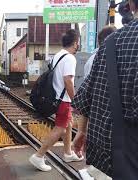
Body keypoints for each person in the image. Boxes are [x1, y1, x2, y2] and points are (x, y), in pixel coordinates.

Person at [72, 0, 138, 178]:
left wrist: (82, 131)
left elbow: (86, 93)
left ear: (131, 5)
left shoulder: (109, 42)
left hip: (111, 152)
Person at [29, 29, 83, 172]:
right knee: (60, 128)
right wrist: (76, 101)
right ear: (76, 43)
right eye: (78, 42)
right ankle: (38, 155)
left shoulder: (58, 55)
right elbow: (68, 81)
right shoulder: (70, 58)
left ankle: (67, 153)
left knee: (68, 124)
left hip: (56, 97)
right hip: (63, 100)